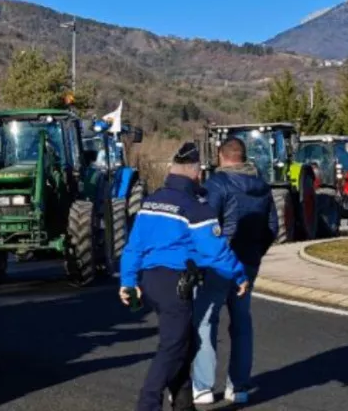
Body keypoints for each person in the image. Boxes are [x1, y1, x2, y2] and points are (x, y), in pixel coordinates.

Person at [119, 142, 250, 411]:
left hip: (149, 282)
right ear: (197, 172)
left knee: (185, 341)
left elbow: (133, 246)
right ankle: (148, 404)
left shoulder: (151, 201)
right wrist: (239, 275)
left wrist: (128, 282)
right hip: (173, 284)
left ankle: (183, 402)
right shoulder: (195, 208)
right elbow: (215, 252)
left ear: (172, 170)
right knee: (173, 346)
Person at [190, 136, 278, 405]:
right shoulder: (263, 187)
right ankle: (237, 386)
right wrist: (255, 255)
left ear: (220, 155)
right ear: (244, 156)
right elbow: (272, 227)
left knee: (206, 320)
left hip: (219, 263)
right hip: (248, 262)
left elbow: (205, 227)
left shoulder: (216, 185)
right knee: (241, 323)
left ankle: (203, 387)